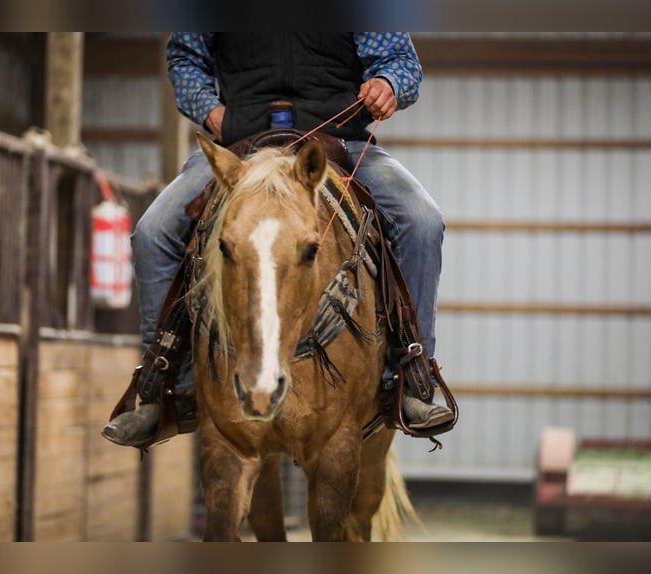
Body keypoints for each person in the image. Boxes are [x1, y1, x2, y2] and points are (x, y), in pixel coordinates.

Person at [102, 33, 453, 447]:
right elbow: (185, 58)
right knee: (153, 232)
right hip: (239, 146)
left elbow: (401, 61)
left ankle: (412, 376)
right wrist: (214, 115)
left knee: (422, 221)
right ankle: (165, 384)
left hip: (339, 144)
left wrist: (389, 85)